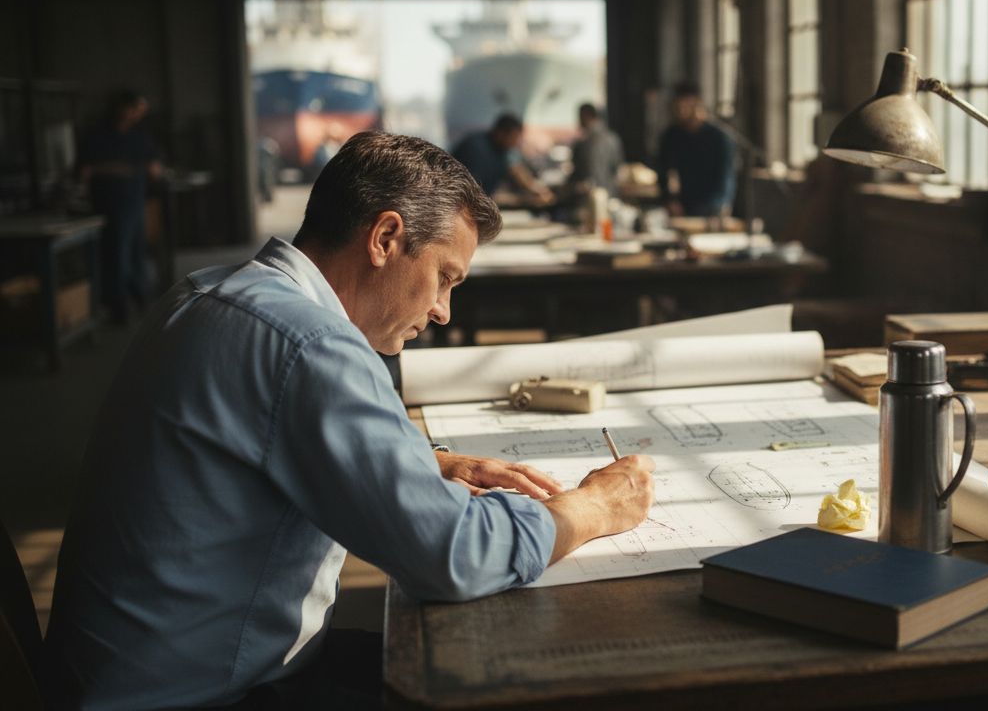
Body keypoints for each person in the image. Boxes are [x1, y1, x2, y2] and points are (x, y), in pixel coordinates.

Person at [42, 131, 656, 709]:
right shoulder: (311, 344)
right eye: (444, 277)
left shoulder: (209, 293)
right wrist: (591, 507)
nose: (443, 310)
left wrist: (433, 462)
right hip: (208, 695)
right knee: (517, 673)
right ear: (385, 238)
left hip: (125, 677)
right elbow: (452, 554)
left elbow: (259, 436)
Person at [77, 89, 163, 323]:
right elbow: (84, 170)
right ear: (122, 108)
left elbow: (154, 167)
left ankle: (140, 298)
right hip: (108, 202)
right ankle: (118, 306)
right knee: (116, 254)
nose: (137, 115)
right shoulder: (97, 135)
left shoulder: (139, 135)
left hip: (133, 201)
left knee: (135, 252)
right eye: (134, 109)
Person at [655, 82, 736, 217]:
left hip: (713, 207)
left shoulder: (719, 138)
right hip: (683, 206)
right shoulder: (672, 136)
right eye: (678, 107)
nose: (682, 111)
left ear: (698, 105)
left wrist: (719, 205)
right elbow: (663, 171)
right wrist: (669, 200)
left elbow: (726, 177)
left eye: (686, 106)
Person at [450, 113, 554, 206]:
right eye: (513, 138)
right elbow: (473, 195)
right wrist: (524, 200)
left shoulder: (502, 149)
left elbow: (515, 169)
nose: (514, 143)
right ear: (500, 133)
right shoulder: (476, 150)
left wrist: (535, 189)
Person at [567, 102, 624, 194]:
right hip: (611, 193)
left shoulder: (583, 142)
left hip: (590, 196)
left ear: (586, 116)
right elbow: (618, 167)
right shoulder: (613, 138)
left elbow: (578, 172)